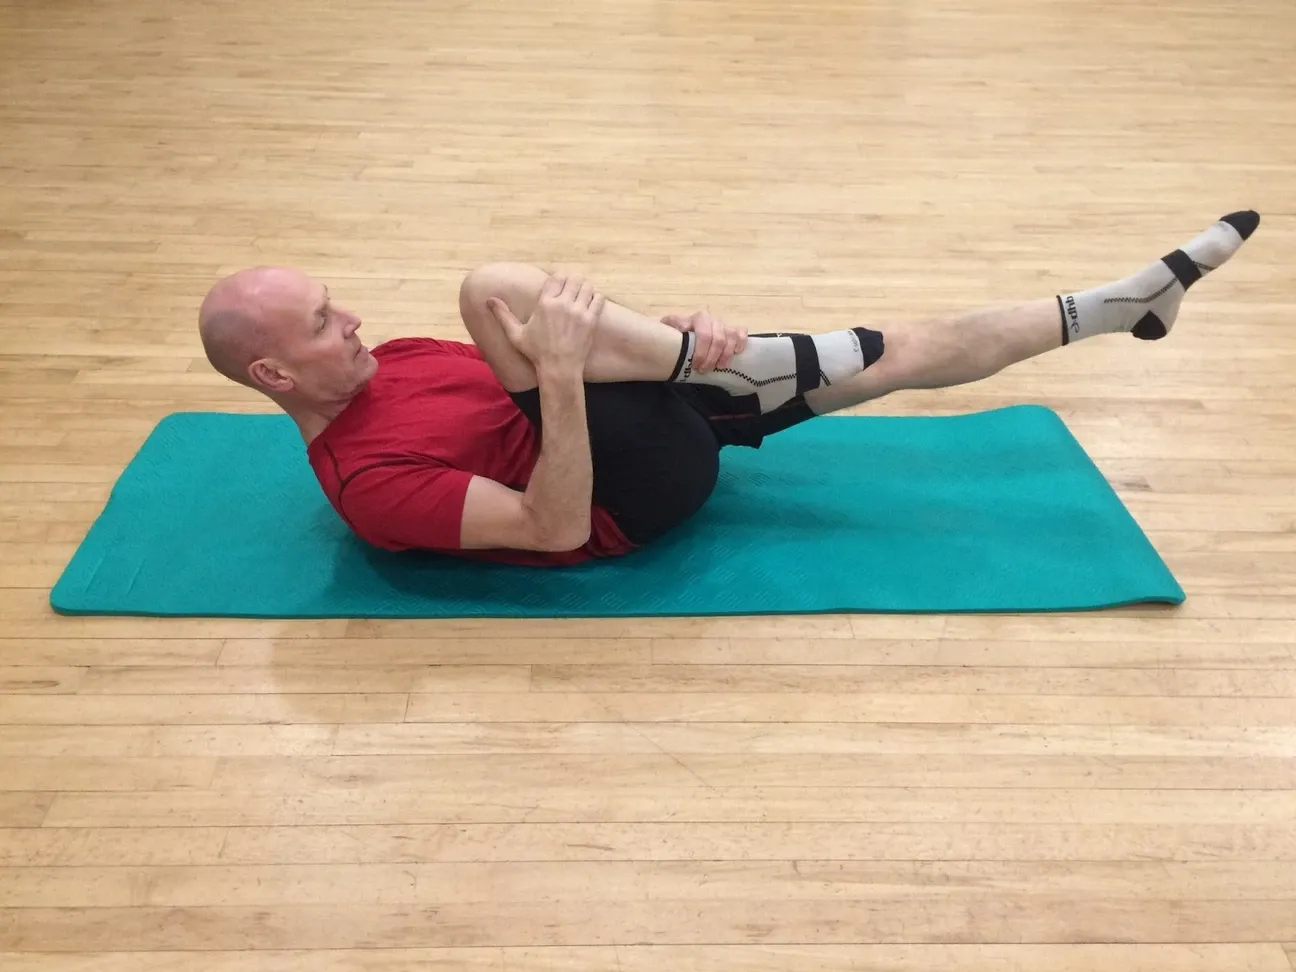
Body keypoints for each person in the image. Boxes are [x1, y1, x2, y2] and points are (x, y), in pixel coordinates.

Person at [197, 210, 1259, 566]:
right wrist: (567, 372)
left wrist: (675, 331)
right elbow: (553, 528)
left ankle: (1122, 307)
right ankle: (728, 369)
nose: (354, 319)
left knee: (896, 350)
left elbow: (576, 362)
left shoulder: (399, 362)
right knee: (493, 289)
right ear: (274, 374)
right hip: (624, 495)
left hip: (634, 420)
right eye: (324, 322)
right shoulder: (368, 483)